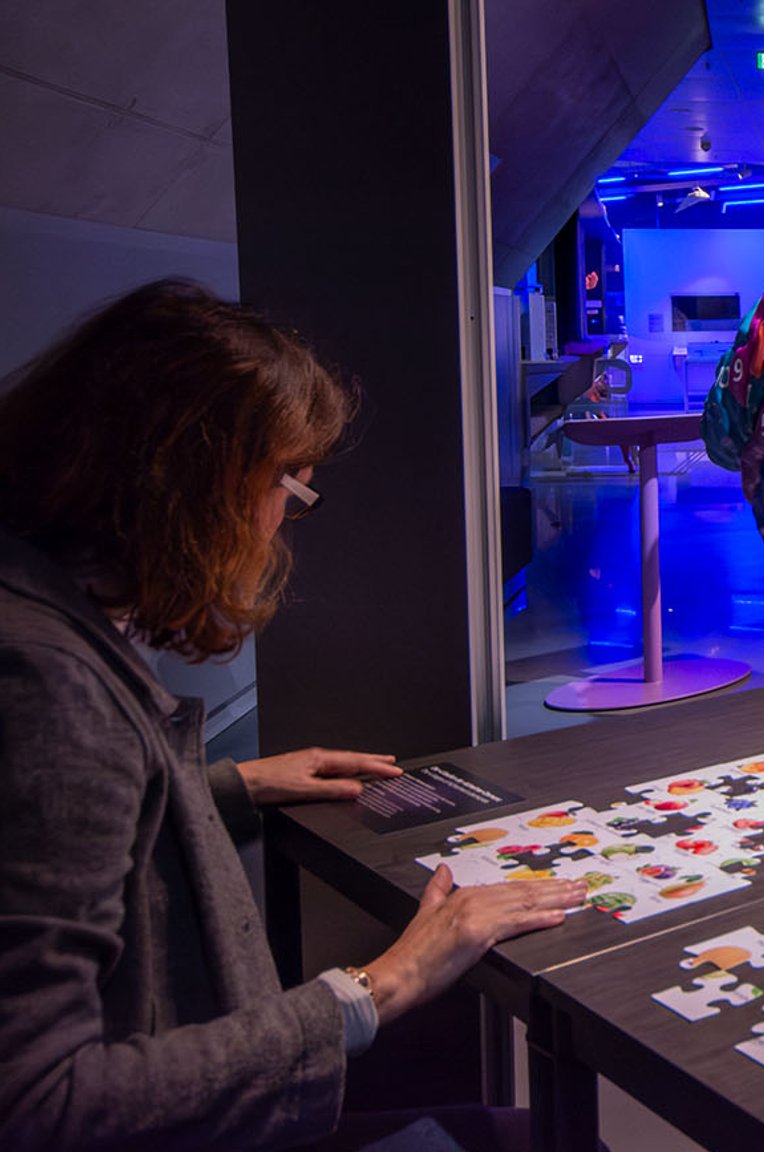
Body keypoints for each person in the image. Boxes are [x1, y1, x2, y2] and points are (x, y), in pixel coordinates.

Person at [0, 280, 586, 1151]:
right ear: (192, 485)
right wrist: (380, 984)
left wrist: (223, 787)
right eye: (286, 486)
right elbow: (39, 1104)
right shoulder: (44, 686)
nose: (283, 521)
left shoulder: (38, 605)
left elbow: (57, 824)